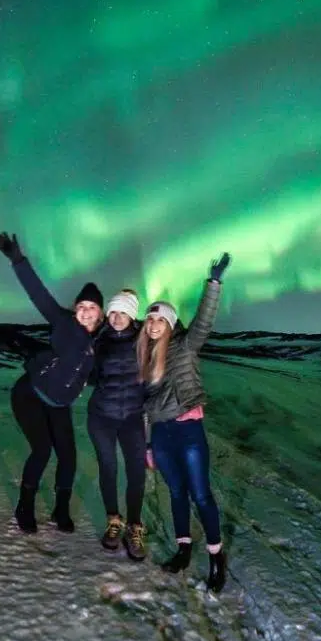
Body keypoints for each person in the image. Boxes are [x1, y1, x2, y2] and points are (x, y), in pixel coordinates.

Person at [0, 232, 105, 534]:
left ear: (100, 315)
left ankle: (60, 511)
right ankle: (24, 506)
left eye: (91, 308)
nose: (84, 311)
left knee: (68, 456)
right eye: (81, 305)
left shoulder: (98, 346)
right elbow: (38, 293)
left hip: (59, 404)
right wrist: (17, 259)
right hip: (30, 394)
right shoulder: (62, 322)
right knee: (42, 450)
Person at [139, 252, 232, 592]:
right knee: (176, 493)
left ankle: (216, 556)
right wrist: (148, 443)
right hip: (161, 434)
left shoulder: (186, 346)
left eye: (159, 320)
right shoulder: (145, 360)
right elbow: (144, 408)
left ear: (170, 323)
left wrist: (214, 282)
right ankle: (182, 550)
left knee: (201, 494)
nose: (152, 325)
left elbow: (204, 321)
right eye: (149, 321)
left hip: (188, 429)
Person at [86, 288, 148, 560]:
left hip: (133, 417)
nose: (117, 317)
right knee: (108, 468)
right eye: (113, 311)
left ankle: (135, 525)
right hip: (102, 416)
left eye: (124, 312)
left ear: (132, 315)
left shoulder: (146, 339)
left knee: (136, 472)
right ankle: (114, 520)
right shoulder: (99, 340)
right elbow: (90, 377)